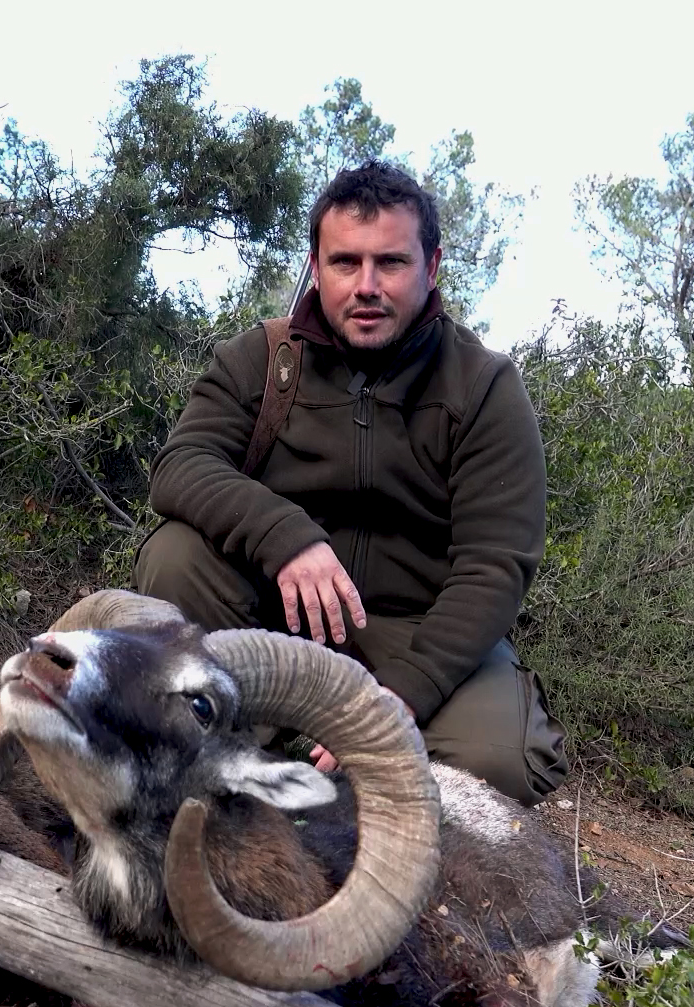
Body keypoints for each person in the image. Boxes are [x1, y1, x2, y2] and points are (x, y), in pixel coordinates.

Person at [134, 160, 566, 806]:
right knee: (176, 554)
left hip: (418, 633)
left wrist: (403, 694)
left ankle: (355, 795)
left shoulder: (483, 386)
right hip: (279, 621)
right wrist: (286, 537)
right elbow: (181, 467)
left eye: (390, 263)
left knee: (500, 763)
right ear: (315, 265)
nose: (366, 286)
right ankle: (242, 759)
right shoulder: (259, 360)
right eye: (345, 263)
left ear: (432, 265)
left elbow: (494, 567)